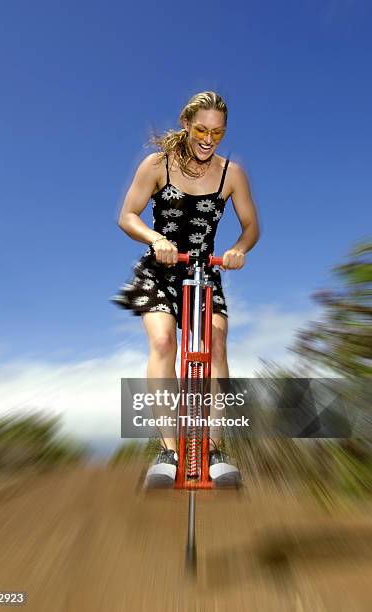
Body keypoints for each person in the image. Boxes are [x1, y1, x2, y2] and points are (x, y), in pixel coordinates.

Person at [113, 91, 260, 487]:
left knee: (215, 341)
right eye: (201, 129)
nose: (209, 139)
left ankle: (213, 451)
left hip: (203, 269)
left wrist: (237, 250)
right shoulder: (156, 164)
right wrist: (155, 239)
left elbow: (251, 228)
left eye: (218, 132)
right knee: (163, 342)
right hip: (161, 268)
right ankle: (168, 451)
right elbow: (128, 215)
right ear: (186, 123)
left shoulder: (232, 174)